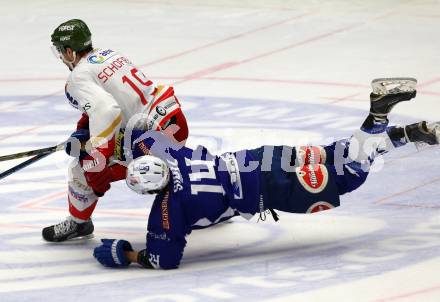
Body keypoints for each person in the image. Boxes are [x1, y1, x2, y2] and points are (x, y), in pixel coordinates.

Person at [92, 77, 439, 269]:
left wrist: (125, 254)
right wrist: (99, 140)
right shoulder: (170, 153)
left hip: (272, 189)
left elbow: (163, 259)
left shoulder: (168, 209)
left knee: (349, 177)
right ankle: (407, 135)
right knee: (339, 154)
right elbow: (139, 130)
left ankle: (378, 115)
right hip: (260, 158)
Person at [42, 19, 189, 242]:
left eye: (62, 52)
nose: (61, 57)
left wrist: (95, 157)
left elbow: (106, 111)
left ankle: (78, 223)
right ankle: (213, 192)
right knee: (177, 165)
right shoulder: (107, 54)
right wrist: (83, 131)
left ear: (70, 52)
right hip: (173, 123)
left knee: (81, 170)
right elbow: (116, 101)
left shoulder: (77, 77)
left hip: (150, 140)